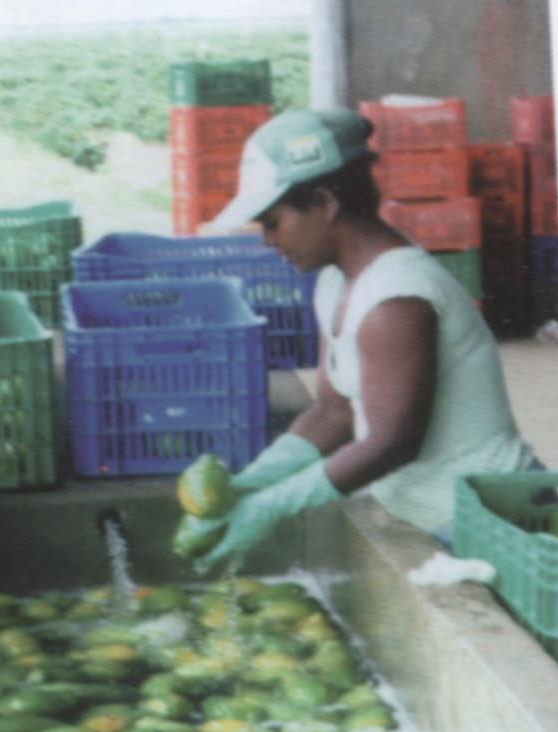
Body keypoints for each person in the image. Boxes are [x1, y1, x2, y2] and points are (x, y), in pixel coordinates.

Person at [195, 107, 536, 569]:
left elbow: (391, 442)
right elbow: (333, 413)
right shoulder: (337, 282)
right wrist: (250, 483)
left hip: (493, 523)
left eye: (273, 222)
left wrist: (272, 505)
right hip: (431, 516)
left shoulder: (396, 300)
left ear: (323, 204)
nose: (267, 242)